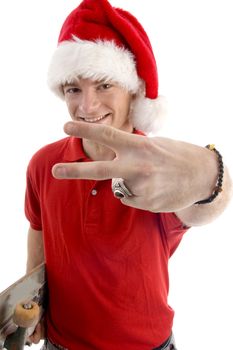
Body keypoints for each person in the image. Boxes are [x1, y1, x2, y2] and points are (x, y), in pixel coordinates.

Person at [25, 0, 232, 349]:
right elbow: (39, 230)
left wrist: (212, 175)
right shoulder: (44, 164)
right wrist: (35, 296)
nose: (87, 107)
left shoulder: (157, 167)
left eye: (104, 85)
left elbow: (203, 207)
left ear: (133, 90)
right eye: (74, 89)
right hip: (60, 344)